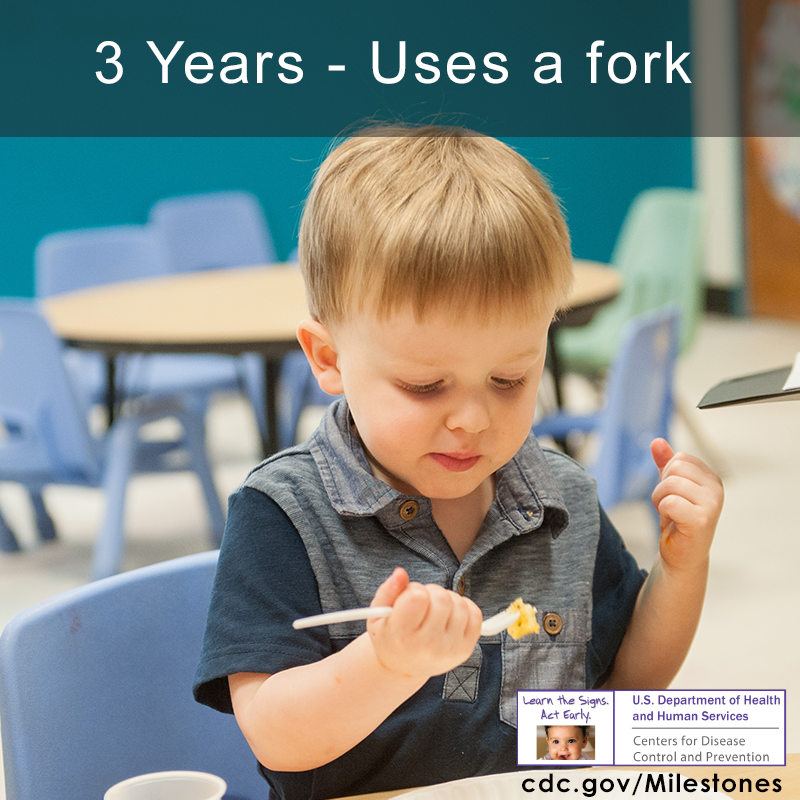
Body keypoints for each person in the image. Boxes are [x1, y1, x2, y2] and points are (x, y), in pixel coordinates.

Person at [193, 126, 724, 800]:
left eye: (509, 380)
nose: (473, 419)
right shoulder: (284, 513)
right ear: (329, 359)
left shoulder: (561, 498)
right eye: (424, 386)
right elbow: (277, 738)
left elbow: (627, 695)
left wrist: (683, 567)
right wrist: (388, 663)